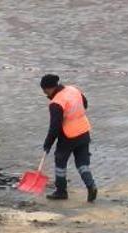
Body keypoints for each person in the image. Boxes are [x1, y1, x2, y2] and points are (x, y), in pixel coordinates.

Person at [39, 74, 97, 202]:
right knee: (82, 163)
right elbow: (85, 104)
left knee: (60, 161)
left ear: (49, 88)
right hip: (83, 131)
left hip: (68, 136)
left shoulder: (56, 103)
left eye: (44, 91)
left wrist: (48, 144)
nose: (45, 94)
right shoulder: (73, 90)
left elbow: (55, 127)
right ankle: (91, 185)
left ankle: (61, 191)